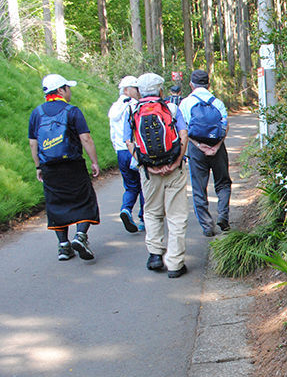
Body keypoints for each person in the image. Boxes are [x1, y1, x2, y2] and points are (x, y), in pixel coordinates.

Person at [124, 73, 190, 278]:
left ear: (139, 91)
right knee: (176, 215)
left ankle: (154, 255)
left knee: (152, 212)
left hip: (149, 172)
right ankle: (176, 263)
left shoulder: (133, 110)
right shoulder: (171, 108)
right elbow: (184, 135)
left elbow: (129, 143)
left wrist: (148, 166)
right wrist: (177, 161)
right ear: (161, 90)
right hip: (174, 169)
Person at [29, 73, 101, 261]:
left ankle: (63, 246)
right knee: (85, 199)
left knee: (55, 203)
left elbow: (33, 143)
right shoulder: (72, 111)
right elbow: (85, 138)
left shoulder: (37, 113)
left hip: (49, 168)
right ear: (61, 90)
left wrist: (38, 166)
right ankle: (81, 236)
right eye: (68, 88)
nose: (69, 92)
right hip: (73, 165)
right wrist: (94, 161)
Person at [179, 69, 230, 237]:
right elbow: (224, 127)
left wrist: (199, 145)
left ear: (191, 85)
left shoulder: (185, 103)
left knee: (199, 187)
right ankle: (223, 215)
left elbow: (184, 130)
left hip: (196, 149)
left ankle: (207, 226)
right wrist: (216, 146)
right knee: (222, 183)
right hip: (217, 147)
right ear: (209, 84)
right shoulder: (218, 103)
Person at [108, 75, 144, 233]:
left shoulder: (114, 108)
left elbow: (112, 133)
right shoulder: (136, 105)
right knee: (144, 185)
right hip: (135, 150)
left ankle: (126, 209)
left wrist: (116, 148)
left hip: (121, 151)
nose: (138, 92)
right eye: (135, 88)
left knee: (130, 186)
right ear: (127, 90)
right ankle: (144, 218)